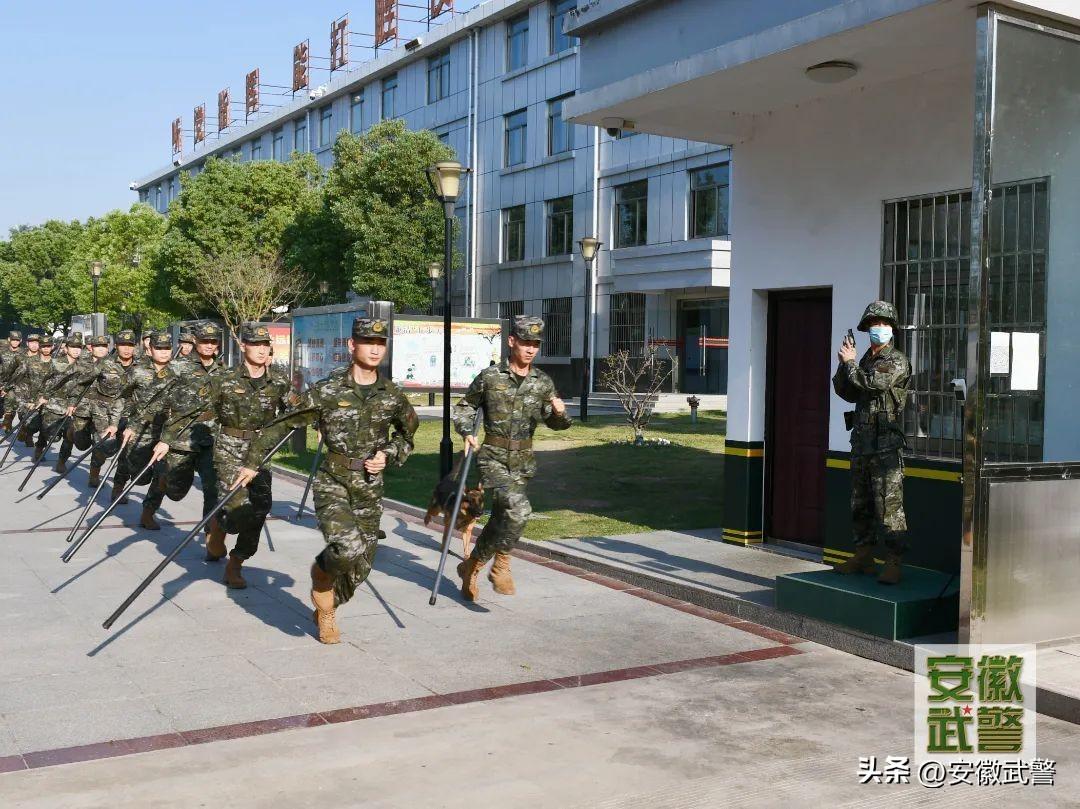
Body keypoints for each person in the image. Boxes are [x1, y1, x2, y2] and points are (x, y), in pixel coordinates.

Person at [240, 317, 419, 644]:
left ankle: (328, 601)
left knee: (361, 565)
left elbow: (407, 434)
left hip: (369, 486)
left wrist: (389, 454)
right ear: (353, 346)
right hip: (333, 481)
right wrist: (252, 462)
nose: (375, 349)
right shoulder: (327, 391)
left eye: (380, 344)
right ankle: (323, 590)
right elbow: (283, 425)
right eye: (368, 343)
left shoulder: (392, 395)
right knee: (346, 547)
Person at [153, 323, 296, 589]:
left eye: (266, 345)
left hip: (260, 452)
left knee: (260, 509)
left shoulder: (278, 381)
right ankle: (219, 526)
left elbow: (297, 411)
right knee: (236, 508)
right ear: (244, 347)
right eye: (256, 345)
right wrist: (166, 440)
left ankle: (236, 562)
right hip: (229, 449)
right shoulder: (224, 379)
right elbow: (195, 412)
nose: (262, 350)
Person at [454, 315, 572, 601]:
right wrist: (467, 431)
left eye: (535, 344)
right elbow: (465, 407)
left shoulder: (542, 382)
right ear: (512, 342)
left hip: (522, 460)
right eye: (525, 343)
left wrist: (559, 413)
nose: (530, 349)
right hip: (493, 458)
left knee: (501, 520)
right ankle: (502, 565)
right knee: (519, 511)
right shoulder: (490, 377)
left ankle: (472, 565)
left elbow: (555, 423)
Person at [833, 300, 912, 585]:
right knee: (861, 503)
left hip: (886, 447)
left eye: (884, 324)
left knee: (889, 506)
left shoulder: (897, 361)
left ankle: (893, 561)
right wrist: (844, 365)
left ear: (892, 329)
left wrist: (851, 364)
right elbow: (847, 392)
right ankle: (863, 555)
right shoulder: (865, 359)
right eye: (874, 325)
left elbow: (873, 384)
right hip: (862, 444)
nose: (879, 328)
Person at [141, 322, 226, 546]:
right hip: (180, 439)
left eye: (213, 341)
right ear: (195, 341)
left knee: (213, 487)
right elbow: (154, 399)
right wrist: (151, 433)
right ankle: (152, 502)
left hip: (210, 438)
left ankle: (211, 535)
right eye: (204, 341)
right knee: (174, 489)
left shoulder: (223, 370)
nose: (209, 345)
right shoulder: (177, 367)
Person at [116, 332, 179, 508]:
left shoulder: (180, 372)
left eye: (167, 348)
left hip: (168, 428)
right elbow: (122, 395)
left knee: (162, 472)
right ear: (150, 350)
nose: (164, 352)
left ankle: (149, 511)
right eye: (159, 348)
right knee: (139, 474)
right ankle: (119, 485)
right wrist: (124, 419)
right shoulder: (138, 371)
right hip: (141, 426)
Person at [65, 335, 126, 485]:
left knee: (101, 443)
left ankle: (94, 475)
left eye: (104, 346)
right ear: (90, 348)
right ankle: (71, 431)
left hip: (103, 411)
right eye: (97, 346)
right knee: (82, 444)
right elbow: (73, 385)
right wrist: (72, 403)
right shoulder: (80, 364)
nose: (101, 349)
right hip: (83, 409)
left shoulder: (114, 365)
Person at [35, 332, 92, 468]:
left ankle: (61, 461)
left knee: (69, 435)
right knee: (50, 434)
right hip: (53, 404)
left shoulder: (85, 366)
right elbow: (44, 382)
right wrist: (42, 397)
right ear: (66, 348)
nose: (76, 350)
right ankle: (39, 446)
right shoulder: (55, 363)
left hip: (72, 406)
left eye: (79, 347)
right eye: (73, 347)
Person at [15, 335, 53, 447]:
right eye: (43, 346)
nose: (46, 348)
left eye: (48, 346)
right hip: (29, 396)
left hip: (48, 399)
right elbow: (17, 378)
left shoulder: (56, 362)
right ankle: (27, 431)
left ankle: (39, 449)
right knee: (32, 424)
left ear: (52, 347)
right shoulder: (28, 361)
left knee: (45, 426)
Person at [0, 330, 25, 432]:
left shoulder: (24, 353)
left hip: (18, 383)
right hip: (2, 382)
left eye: (17, 340)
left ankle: (9, 420)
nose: (15, 342)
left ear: (21, 341)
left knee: (13, 402)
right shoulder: (2, 352)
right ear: (9, 339)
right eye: (13, 340)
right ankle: (7, 419)